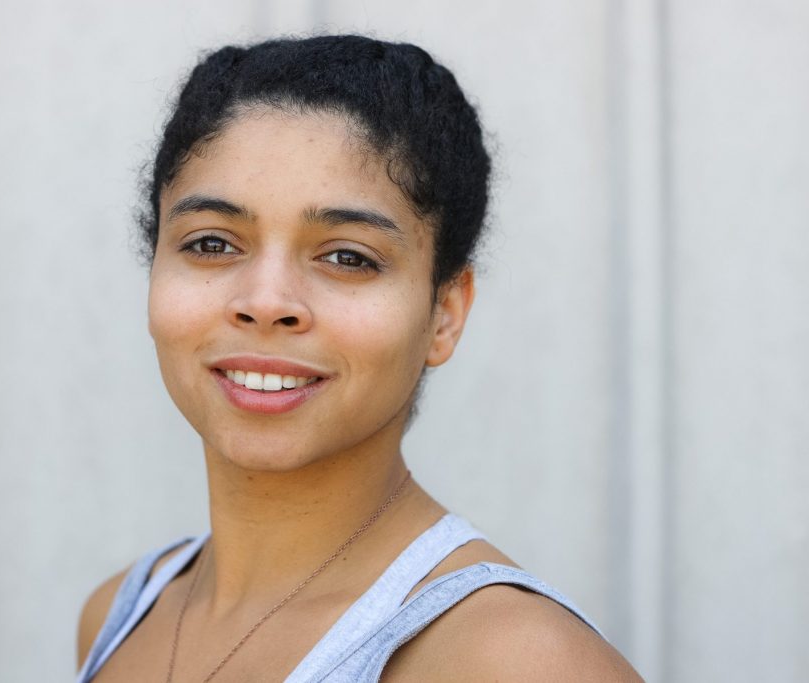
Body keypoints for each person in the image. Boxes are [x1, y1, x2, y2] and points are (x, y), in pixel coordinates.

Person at [76, 35, 642, 682]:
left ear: (445, 313)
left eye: (348, 256)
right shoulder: (119, 618)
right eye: (211, 243)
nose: (266, 302)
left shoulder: (514, 661)